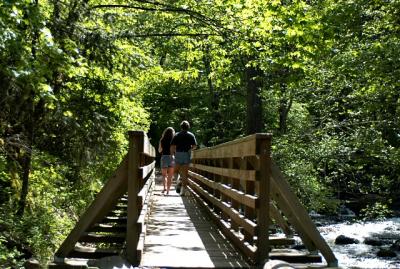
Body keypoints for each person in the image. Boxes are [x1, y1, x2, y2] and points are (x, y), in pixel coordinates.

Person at [170, 120, 197, 196]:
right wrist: (190, 149)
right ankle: (183, 191)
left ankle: (178, 181)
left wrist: (172, 155)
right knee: (185, 174)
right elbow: (195, 146)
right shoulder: (191, 135)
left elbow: (172, 146)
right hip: (186, 155)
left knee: (175, 171)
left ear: (181, 127)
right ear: (188, 127)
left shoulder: (177, 135)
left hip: (178, 154)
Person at [158, 127, 175, 195]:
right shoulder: (174, 140)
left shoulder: (162, 140)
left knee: (164, 175)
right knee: (170, 176)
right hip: (171, 158)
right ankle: (168, 191)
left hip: (164, 157)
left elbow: (159, 150)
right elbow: (175, 150)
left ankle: (164, 188)